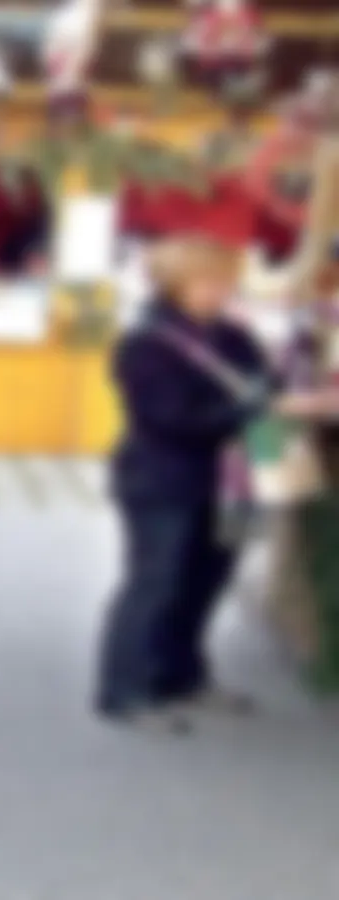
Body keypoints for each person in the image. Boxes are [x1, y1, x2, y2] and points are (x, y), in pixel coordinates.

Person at [97, 233, 339, 734]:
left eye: (226, 282)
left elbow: (267, 386)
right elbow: (172, 419)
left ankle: (182, 677)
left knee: (207, 580)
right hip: (163, 479)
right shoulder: (145, 343)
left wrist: (302, 397)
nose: (223, 292)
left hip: (233, 481)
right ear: (174, 284)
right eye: (210, 282)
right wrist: (260, 409)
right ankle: (124, 689)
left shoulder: (233, 336)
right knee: (156, 581)